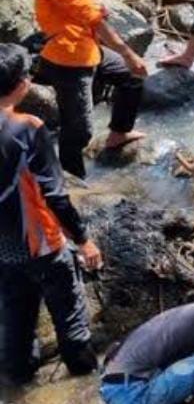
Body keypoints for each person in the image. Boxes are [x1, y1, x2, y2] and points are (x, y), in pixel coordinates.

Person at [0, 44, 102, 385]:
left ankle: (18, 379)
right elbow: (54, 193)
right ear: (20, 86)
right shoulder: (27, 128)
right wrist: (84, 240)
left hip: (3, 250)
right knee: (70, 314)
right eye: (26, 75)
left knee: (16, 316)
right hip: (40, 242)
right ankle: (84, 380)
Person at [28, 0, 147, 179]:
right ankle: (72, 181)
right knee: (78, 131)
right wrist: (129, 53)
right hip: (68, 56)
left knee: (131, 79)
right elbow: (91, 17)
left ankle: (118, 133)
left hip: (87, 45)